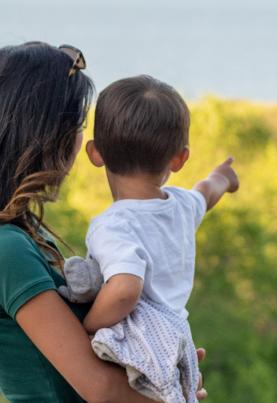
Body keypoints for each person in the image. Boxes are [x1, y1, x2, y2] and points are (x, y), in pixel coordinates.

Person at [0, 42, 208, 402]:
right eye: (78, 125)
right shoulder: (2, 249)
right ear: (45, 135)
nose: (80, 140)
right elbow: (102, 390)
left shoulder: (25, 234)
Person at [56, 75, 239, 402]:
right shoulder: (182, 205)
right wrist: (222, 177)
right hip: (178, 335)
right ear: (179, 159)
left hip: (142, 340)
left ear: (95, 153)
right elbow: (206, 193)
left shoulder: (112, 225)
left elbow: (125, 289)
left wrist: (88, 325)